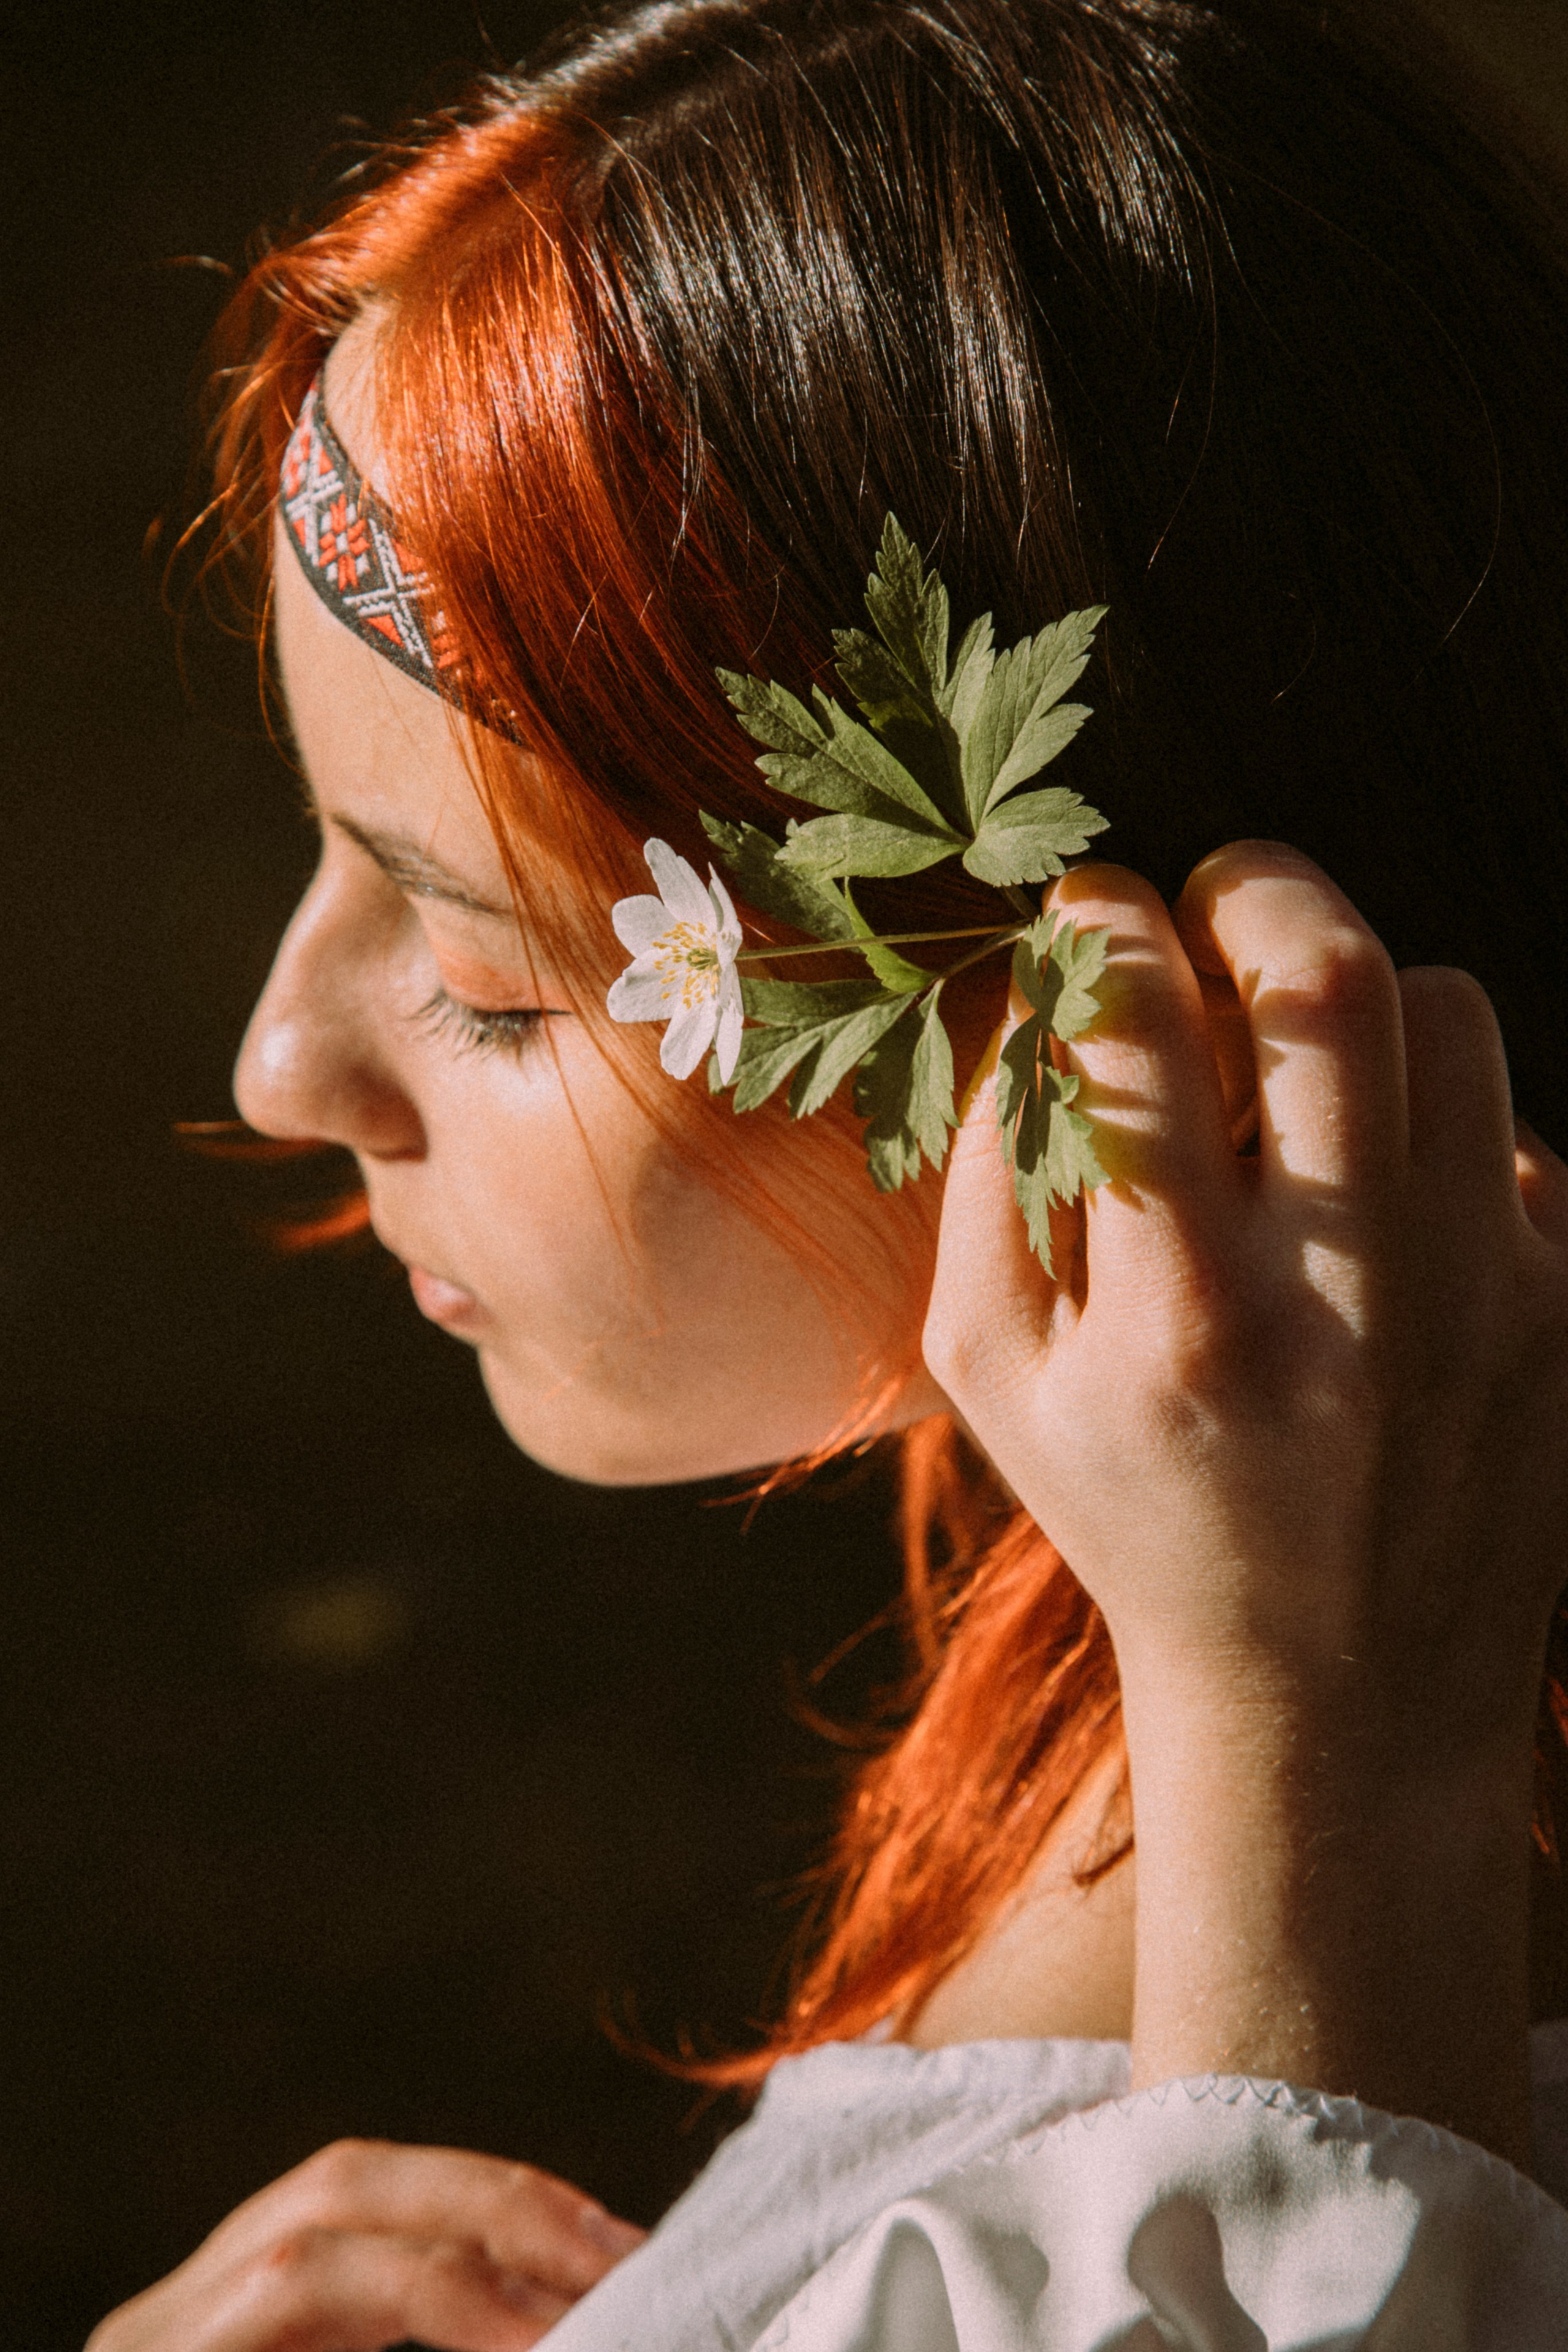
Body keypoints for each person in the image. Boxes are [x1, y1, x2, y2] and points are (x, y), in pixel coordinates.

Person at [89, 0, 1568, 2343]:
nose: (286, 1061)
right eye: (322, 840)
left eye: (488, 973)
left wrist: (1330, 1820)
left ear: (1114, 1029)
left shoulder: (1170, 2144)